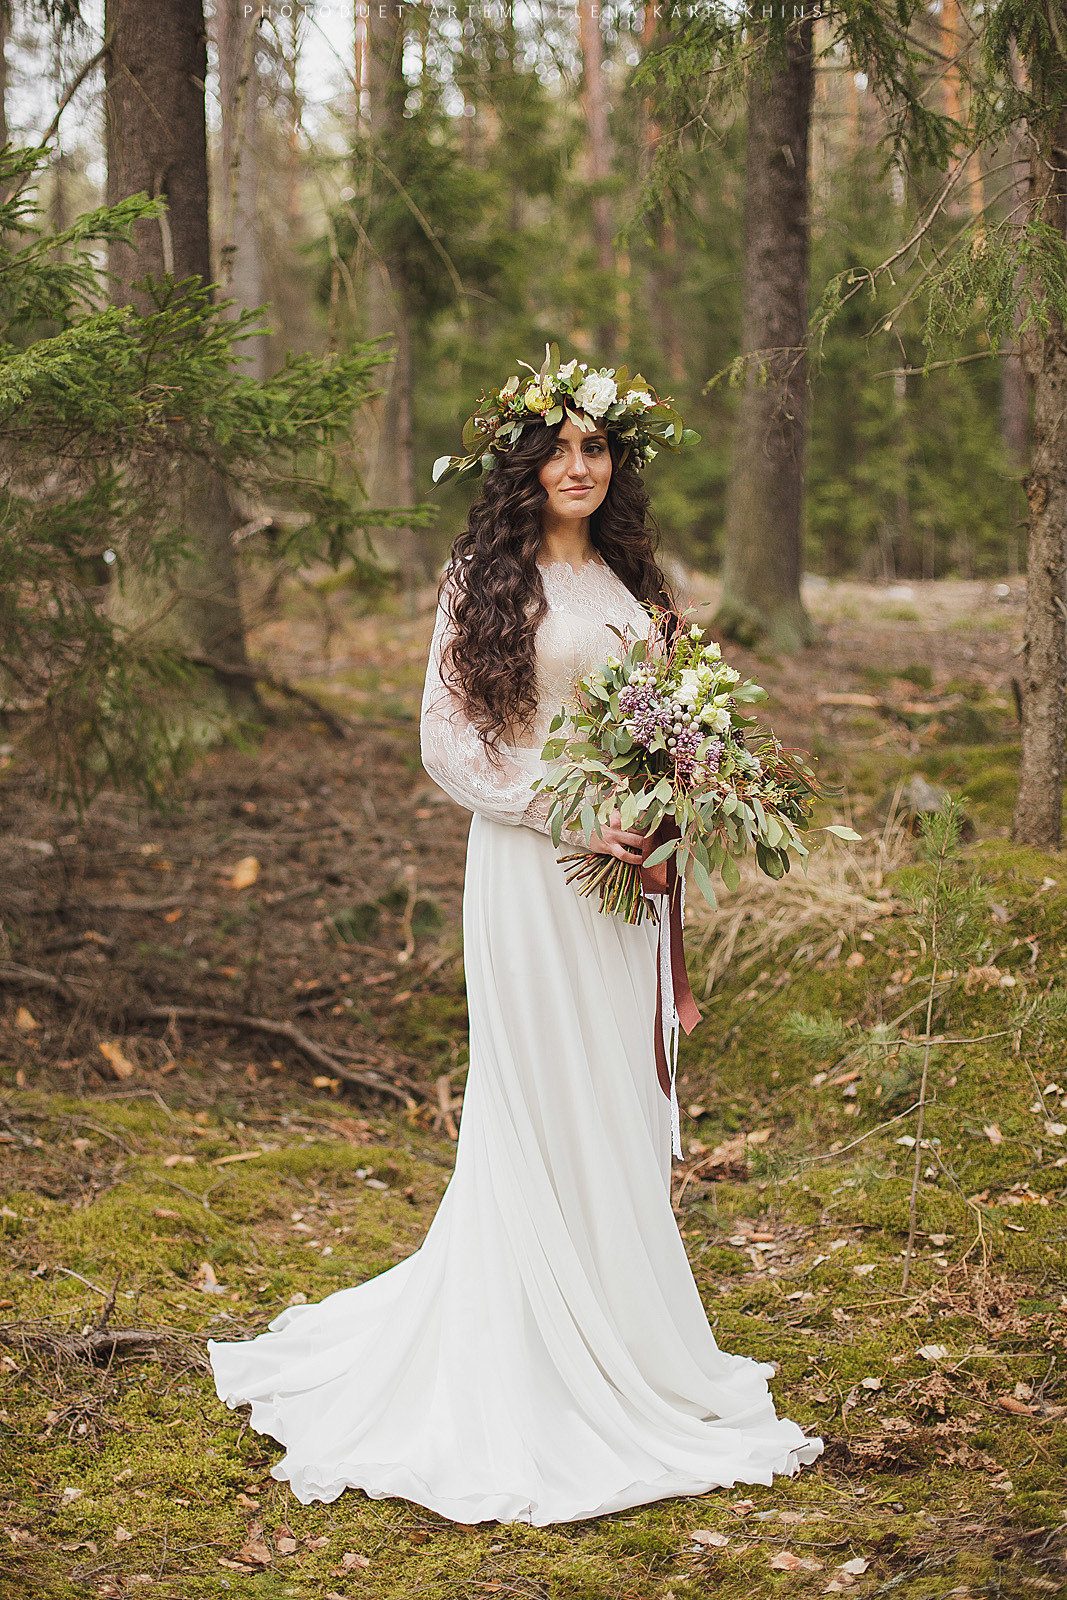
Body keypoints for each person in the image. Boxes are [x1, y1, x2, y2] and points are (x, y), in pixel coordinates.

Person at [207, 358, 822, 1526]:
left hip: (624, 880)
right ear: (525, 464)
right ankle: (532, 1343)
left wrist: (669, 804)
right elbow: (447, 742)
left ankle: (626, 1329)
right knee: (543, 1095)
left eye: (598, 451)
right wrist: (566, 807)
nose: (580, 467)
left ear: (614, 467)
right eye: (561, 449)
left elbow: (666, 722)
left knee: (614, 1093)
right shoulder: (481, 580)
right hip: (531, 867)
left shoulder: (632, 581)